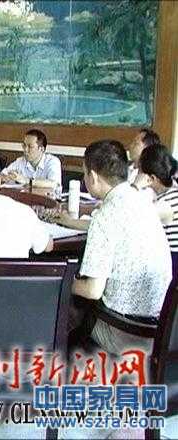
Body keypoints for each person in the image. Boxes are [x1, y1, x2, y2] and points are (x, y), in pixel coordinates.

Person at [71, 140, 171, 355]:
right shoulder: (143, 201)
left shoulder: (105, 215)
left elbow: (92, 290)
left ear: (93, 176)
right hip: (160, 331)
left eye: (85, 173)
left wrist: (65, 281)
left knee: (68, 310)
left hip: (123, 332)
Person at [134, 144, 178, 291]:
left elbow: (128, 216)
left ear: (151, 178)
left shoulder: (166, 205)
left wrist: (135, 187)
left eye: (139, 171)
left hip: (170, 269)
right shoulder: (171, 193)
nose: (136, 174)